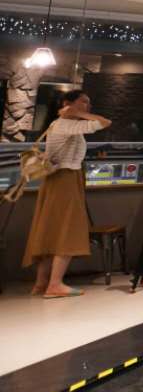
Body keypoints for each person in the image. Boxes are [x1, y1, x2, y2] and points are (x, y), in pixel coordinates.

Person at [24, 90, 111, 298]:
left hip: (55, 181)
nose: (88, 106)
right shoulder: (67, 125)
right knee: (68, 230)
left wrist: (76, 112)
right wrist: (77, 113)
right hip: (66, 180)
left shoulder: (57, 124)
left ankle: (41, 282)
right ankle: (55, 284)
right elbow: (104, 122)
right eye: (83, 102)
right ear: (67, 103)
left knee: (51, 231)